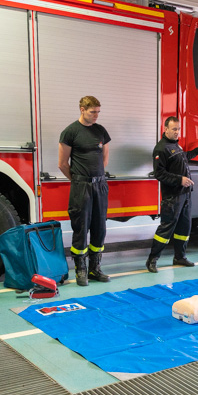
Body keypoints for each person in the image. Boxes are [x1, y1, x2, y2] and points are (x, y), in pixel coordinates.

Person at [58, 96, 111, 286]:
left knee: (100, 227)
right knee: (81, 227)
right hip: (81, 186)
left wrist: (97, 179)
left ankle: (95, 269)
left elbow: (104, 158)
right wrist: (79, 181)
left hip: (100, 185)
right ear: (82, 109)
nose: (96, 115)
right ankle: (81, 269)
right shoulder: (70, 132)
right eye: (92, 112)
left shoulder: (100, 131)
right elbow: (63, 164)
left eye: (98, 112)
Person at [145, 117, 198, 273]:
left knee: (184, 227)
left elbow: (183, 158)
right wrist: (180, 180)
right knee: (166, 229)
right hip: (172, 197)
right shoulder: (161, 148)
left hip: (185, 195)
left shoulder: (175, 145)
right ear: (165, 129)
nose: (177, 132)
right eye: (174, 129)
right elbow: (159, 174)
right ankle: (152, 260)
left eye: (178, 129)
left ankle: (179, 257)